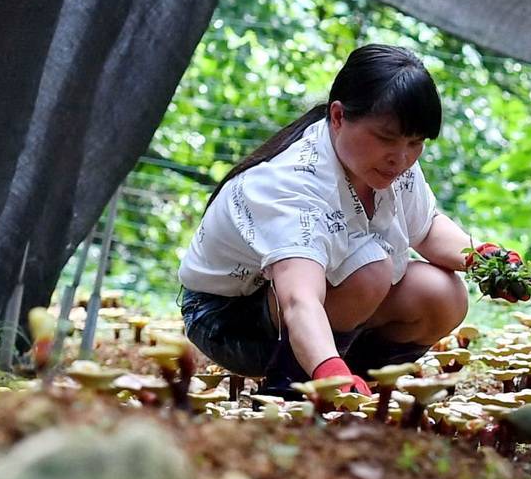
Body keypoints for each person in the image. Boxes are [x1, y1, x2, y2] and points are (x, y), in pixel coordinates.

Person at [177, 44, 477, 391]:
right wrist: (327, 367)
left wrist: (489, 259)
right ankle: (296, 386)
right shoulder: (291, 185)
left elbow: (426, 230)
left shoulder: (389, 164)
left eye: (416, 142)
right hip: (229, 319)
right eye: (386, 138)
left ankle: (358, 390)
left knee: (443, 294)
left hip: (309, 307)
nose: (402, 157)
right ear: (338, 117)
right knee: (370, 269)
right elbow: (298, 298)